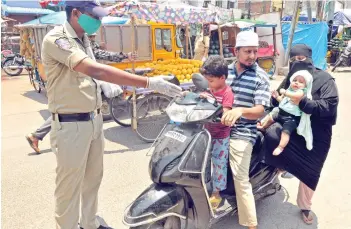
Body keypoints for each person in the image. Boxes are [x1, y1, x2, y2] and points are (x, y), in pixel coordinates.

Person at [41, 1, 182, 229]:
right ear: (75, 13)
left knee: (92, 180)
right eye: (93, 16)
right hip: (70, 124)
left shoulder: (84, 39)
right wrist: (147, 82)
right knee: (69, 188)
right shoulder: (57, 39)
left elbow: (91, 72)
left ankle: (89, 223)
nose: (98, 22)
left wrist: (101, 85)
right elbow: (94, 69)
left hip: (93, 120)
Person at [25, 27, 135, 154]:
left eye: (93, 37)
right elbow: (100, 57)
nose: (93, 39)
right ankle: (37, 135)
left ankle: (37, 136)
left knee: (67, 111)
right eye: (92, 37)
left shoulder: (80, 43)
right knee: (68, 112)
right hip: (78, 86)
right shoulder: (75, 44)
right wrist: (124, 56)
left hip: (76, 84)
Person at [262, 44, 339, 224]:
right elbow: (277, 101)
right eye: (294, 60)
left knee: (311, 171)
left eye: (301, 59)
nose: (297, 63)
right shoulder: (293, 77)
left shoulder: (325, 79)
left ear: (310, 59)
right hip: (293, 128)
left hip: (317, 134)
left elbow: (329, 106)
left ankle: (305, 205)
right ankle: (273, 173)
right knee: (270, 133)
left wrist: (303, 102)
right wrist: (275, 98)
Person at [221, 30, 271, 229]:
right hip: (219, 126)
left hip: (243, 131)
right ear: (236, 51)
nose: (252, 56)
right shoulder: (225, 71)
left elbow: (260, 110)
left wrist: (239, 111)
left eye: (254, 51)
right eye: (247, 51)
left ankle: (251, 224)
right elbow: (211, 89)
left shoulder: (261, 77)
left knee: (240, 177)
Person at [198, 56, 234, 209]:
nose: (209, 84)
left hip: (220, 135)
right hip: (206, 133)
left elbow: (225, 113)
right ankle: (205, 185)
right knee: (204, 161)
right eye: (207, 81)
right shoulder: (209, 88)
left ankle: (217, 192)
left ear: (222, 78)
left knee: (218, 164)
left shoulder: (227, 93)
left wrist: (212, 101)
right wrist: (201, 97)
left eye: (211, 81)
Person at [259, 70, 314, 155]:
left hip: (291, 118)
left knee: (285, 132)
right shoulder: (290, 90)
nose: (296, 83)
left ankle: (281, 147)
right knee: (270, 118)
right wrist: (277, 96)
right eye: (295, 80)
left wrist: (285, 92)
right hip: (281, 113)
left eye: (300, 82)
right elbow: (282, 102)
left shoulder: (302, 92)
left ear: (305, 85)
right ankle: (263, 127)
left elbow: (296, 96)